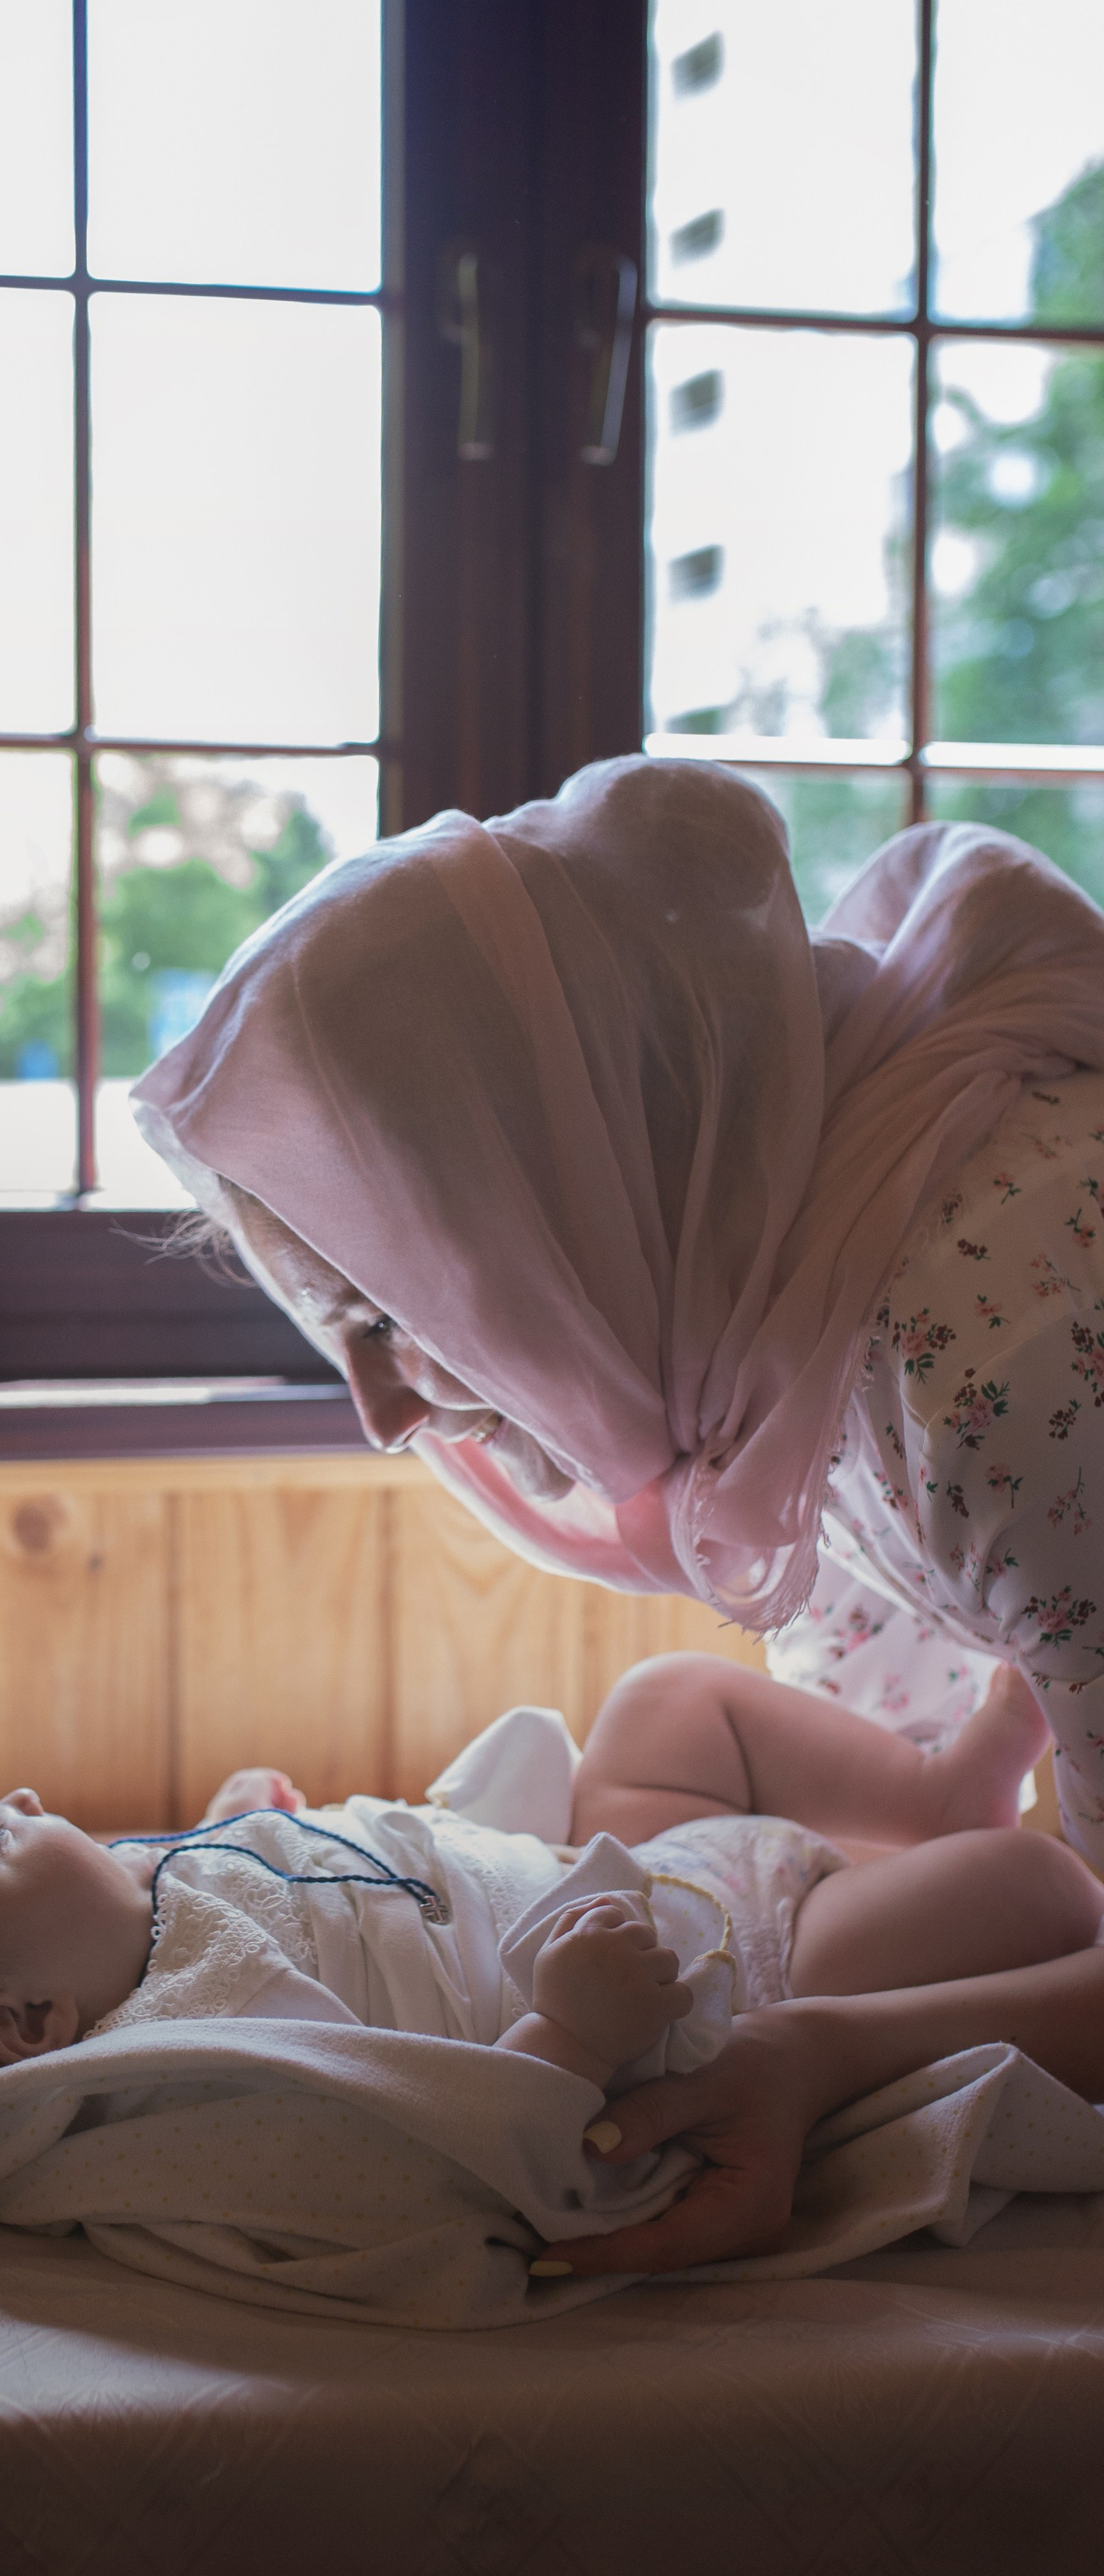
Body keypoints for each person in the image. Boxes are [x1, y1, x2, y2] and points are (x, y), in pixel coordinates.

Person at [127, 753, 1104, 2271]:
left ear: (538, 1200)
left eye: (384, 1313)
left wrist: (817, 2052)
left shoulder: (990, 1352)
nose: (381, 1417)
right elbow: (895, 1801)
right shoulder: (789, 1299)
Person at [0, 1651, 1094, 2194]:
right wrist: (569, 2031)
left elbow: (286, 1883)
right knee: (1027, 1890)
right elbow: (435, 2145)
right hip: (729, 1964)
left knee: (666, 1700)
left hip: (587, 1857)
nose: (30, 1797)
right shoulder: (208, 2049)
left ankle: (930, 1790)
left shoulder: (120, 1912)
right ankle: (925, 1856)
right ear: (28, 2024)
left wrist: (249, 1825)